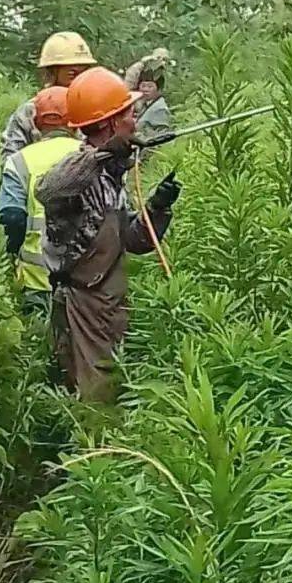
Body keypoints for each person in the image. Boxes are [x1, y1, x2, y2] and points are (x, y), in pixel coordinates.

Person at [36, 66, 180, 402]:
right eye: (129, 112)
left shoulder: (112, 177)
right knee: (95, 392)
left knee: (111, 384)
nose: (135, 119)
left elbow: (132, 240)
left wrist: (158, 208)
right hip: (83, 303)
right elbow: (48, 189)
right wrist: (103, 155)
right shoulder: (78, 170)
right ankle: (95, 447)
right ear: (110, 123)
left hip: (110, 302)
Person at [0, 87, 81, 313]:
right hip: (85, 280)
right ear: (75, 120)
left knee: (36, 342)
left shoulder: (19, 161)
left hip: (36, 279)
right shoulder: (92, 155)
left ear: (35, 122)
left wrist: (13, 252)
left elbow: (11, 216)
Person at [0, 31, 96, 167]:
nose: (80, 79)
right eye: (72, 73)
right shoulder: (30, 112)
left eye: (84, 73)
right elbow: (9, 163)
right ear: (52, 73)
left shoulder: (96, 111)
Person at [123, 46, 173, 138]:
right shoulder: (142, 67)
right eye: (143, 86)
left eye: (150, 86)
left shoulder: (159, 109)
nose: (146, 89)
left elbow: (161, 136)